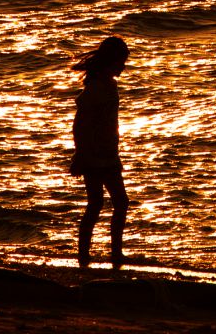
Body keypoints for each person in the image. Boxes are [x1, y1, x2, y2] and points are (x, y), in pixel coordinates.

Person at [70, 35, 130, 269]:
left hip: (107, 152)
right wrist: (80, 154)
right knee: (108, 203)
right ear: (111, 61)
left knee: (106, 203)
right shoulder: (96, 87)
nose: (123, 66)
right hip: (96, 155)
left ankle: (108, 252)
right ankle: (93, 253)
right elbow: (80, 123)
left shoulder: (108, 84)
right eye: (121, 62)